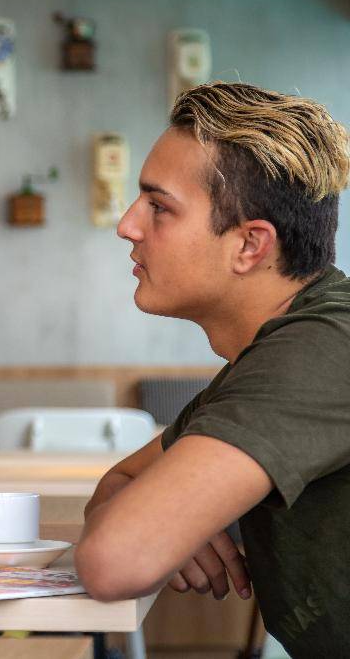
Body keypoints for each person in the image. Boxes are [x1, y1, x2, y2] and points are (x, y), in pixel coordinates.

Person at [75, 82, 350, 656]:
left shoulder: (323, 348)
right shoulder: (268, 357)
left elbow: (113, 560)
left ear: (250, 245)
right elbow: (119, 485)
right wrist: (161, 525)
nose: (127, 225)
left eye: (159, 207)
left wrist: (150, 529)